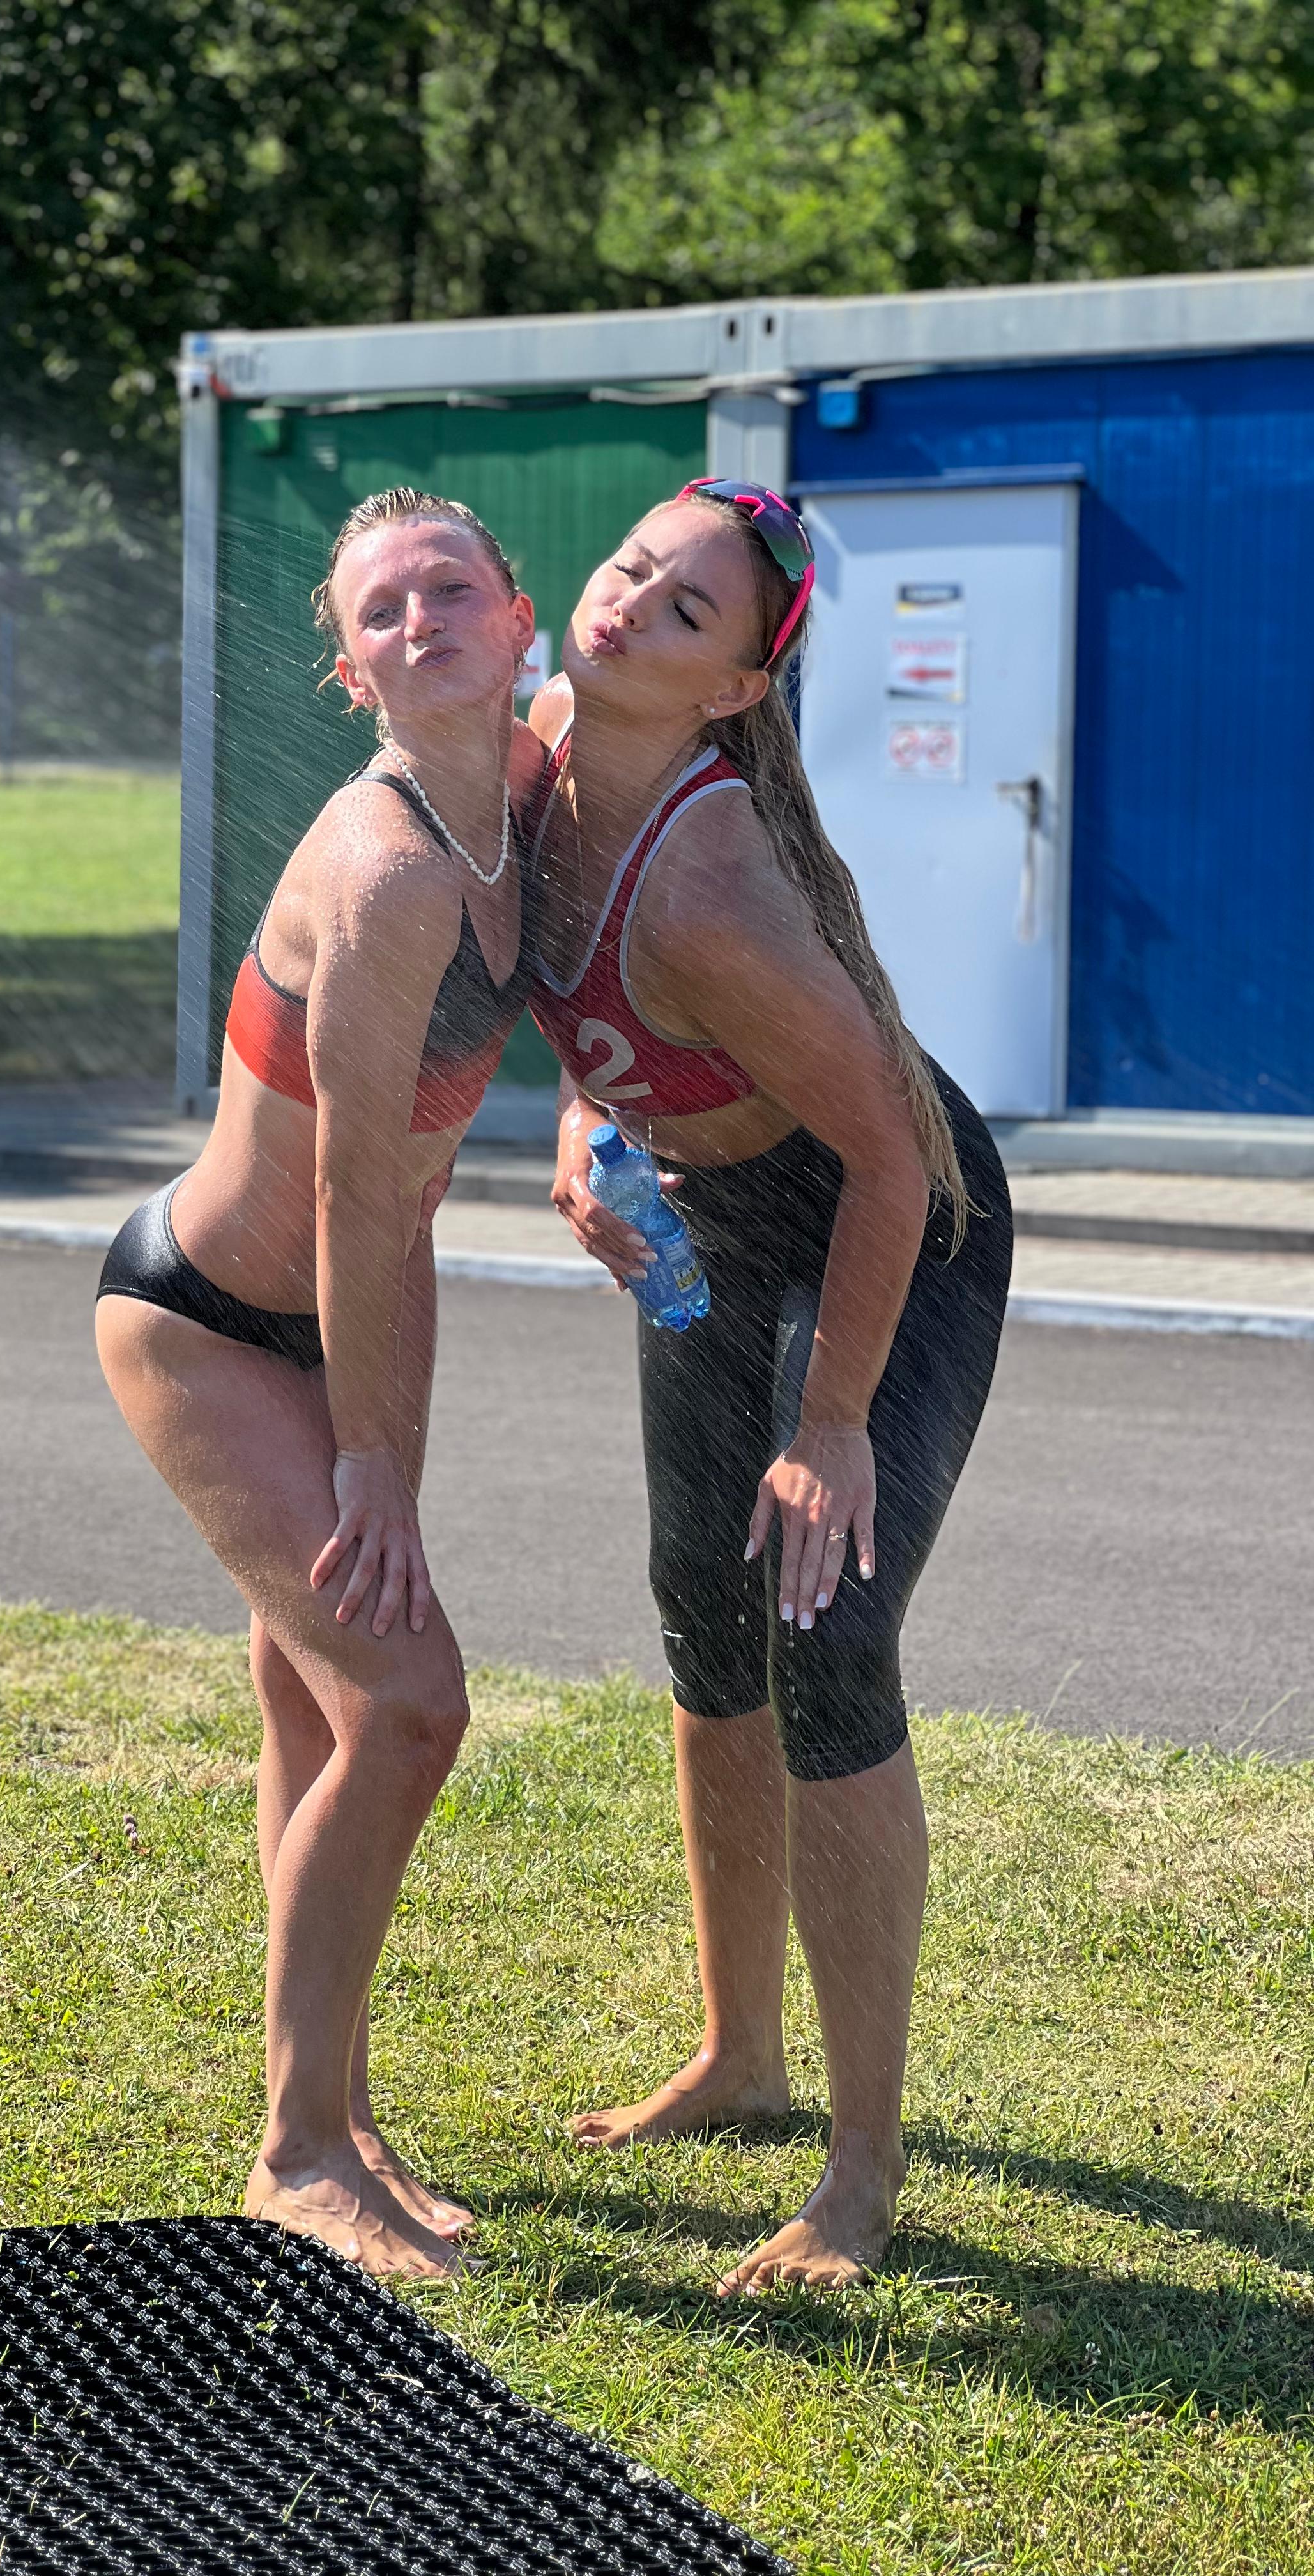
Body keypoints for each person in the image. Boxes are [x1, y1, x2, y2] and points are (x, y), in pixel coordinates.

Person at [527, 480, 1012, 2295]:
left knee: (825, 1637)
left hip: (896, 1219)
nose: (635, 601)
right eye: (635, 565)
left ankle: (861, 2172)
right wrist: (588, 1130)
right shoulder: (540, 760)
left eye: (689, 611)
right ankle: (740, 2057)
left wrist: (831, 1427)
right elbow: (573, 1001)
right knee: (703, 1616)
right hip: (716, 1217)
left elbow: (889, 1155)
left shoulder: (714, 884)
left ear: (734, 691)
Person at [96, 488, 539, 2279]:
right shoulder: (388, 871)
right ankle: (295, 2153)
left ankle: (335, 2114)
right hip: (208, 1323)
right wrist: (372, 1463)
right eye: (382, 610)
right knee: (410, 1705)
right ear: (351, 671)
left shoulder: (526, 798)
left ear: (517, 616)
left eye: (452, 586)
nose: (421, 618)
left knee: (326, 1709)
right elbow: (360, 1196)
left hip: (341, 1316)